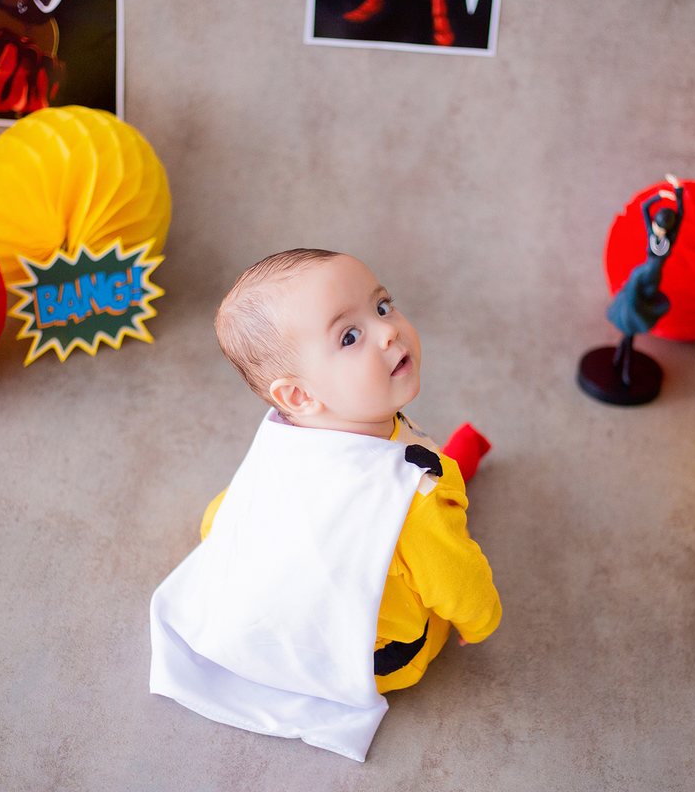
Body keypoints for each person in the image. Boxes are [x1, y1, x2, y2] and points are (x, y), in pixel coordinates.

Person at [149, 249, 501, 761]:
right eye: (349, 337)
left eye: (382, 306)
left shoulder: (283, 438)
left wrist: (222, 541)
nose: (388, 333)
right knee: (432, 507)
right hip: (375, 654)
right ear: (296, 395)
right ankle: (454, 471)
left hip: (283, 633)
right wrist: (481, 622)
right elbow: (458, 580)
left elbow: (227, 510)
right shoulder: (415, 500)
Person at [606, 175, 685, 385]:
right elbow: (643, 208)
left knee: (632, 325)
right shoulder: (651, 232)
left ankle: (619, 358)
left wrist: (678, 191)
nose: (658, 230)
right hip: (641, 275)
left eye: (662, 228)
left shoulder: (670, 239)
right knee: (631, 318)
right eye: (657, 226)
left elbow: (682, 213)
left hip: (653, 279)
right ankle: (624, 368)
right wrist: (659, 196)